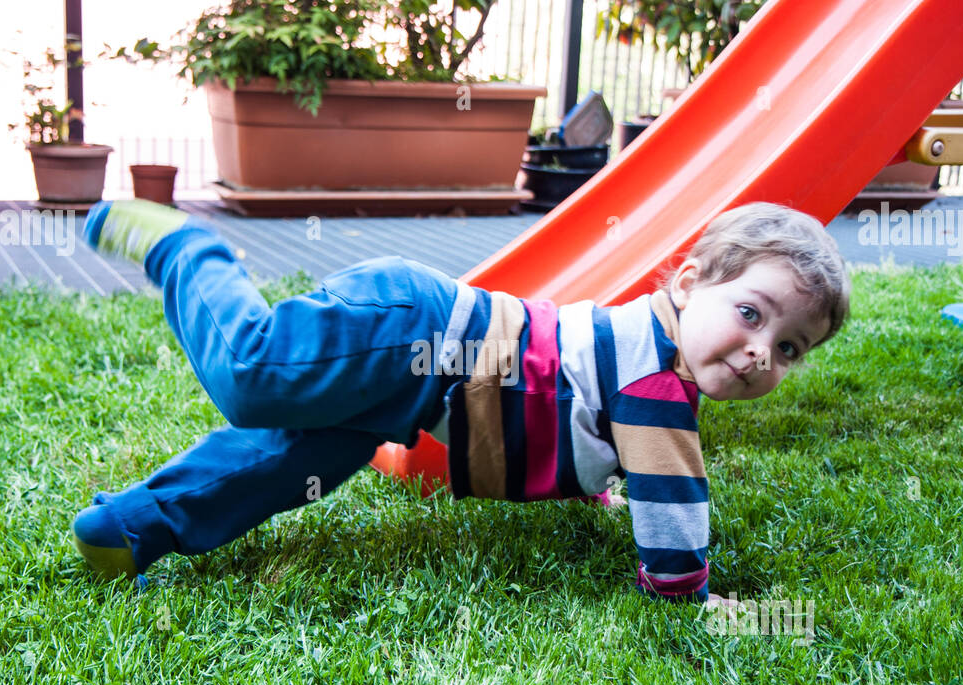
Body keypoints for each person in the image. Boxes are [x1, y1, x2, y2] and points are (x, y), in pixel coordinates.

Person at [71, 199, 850, 608]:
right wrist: (688, 597)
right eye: (752, 313)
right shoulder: (657, 390)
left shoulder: (650, 368)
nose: (760, 351)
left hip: (413, 384)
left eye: (790, 348)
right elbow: (674, 509)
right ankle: (188, 251)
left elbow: (581, 411)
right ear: (688, 285)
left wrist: (597, 486)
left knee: (290, 461)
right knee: (250, 376)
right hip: (415, 328)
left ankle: (126, 530)